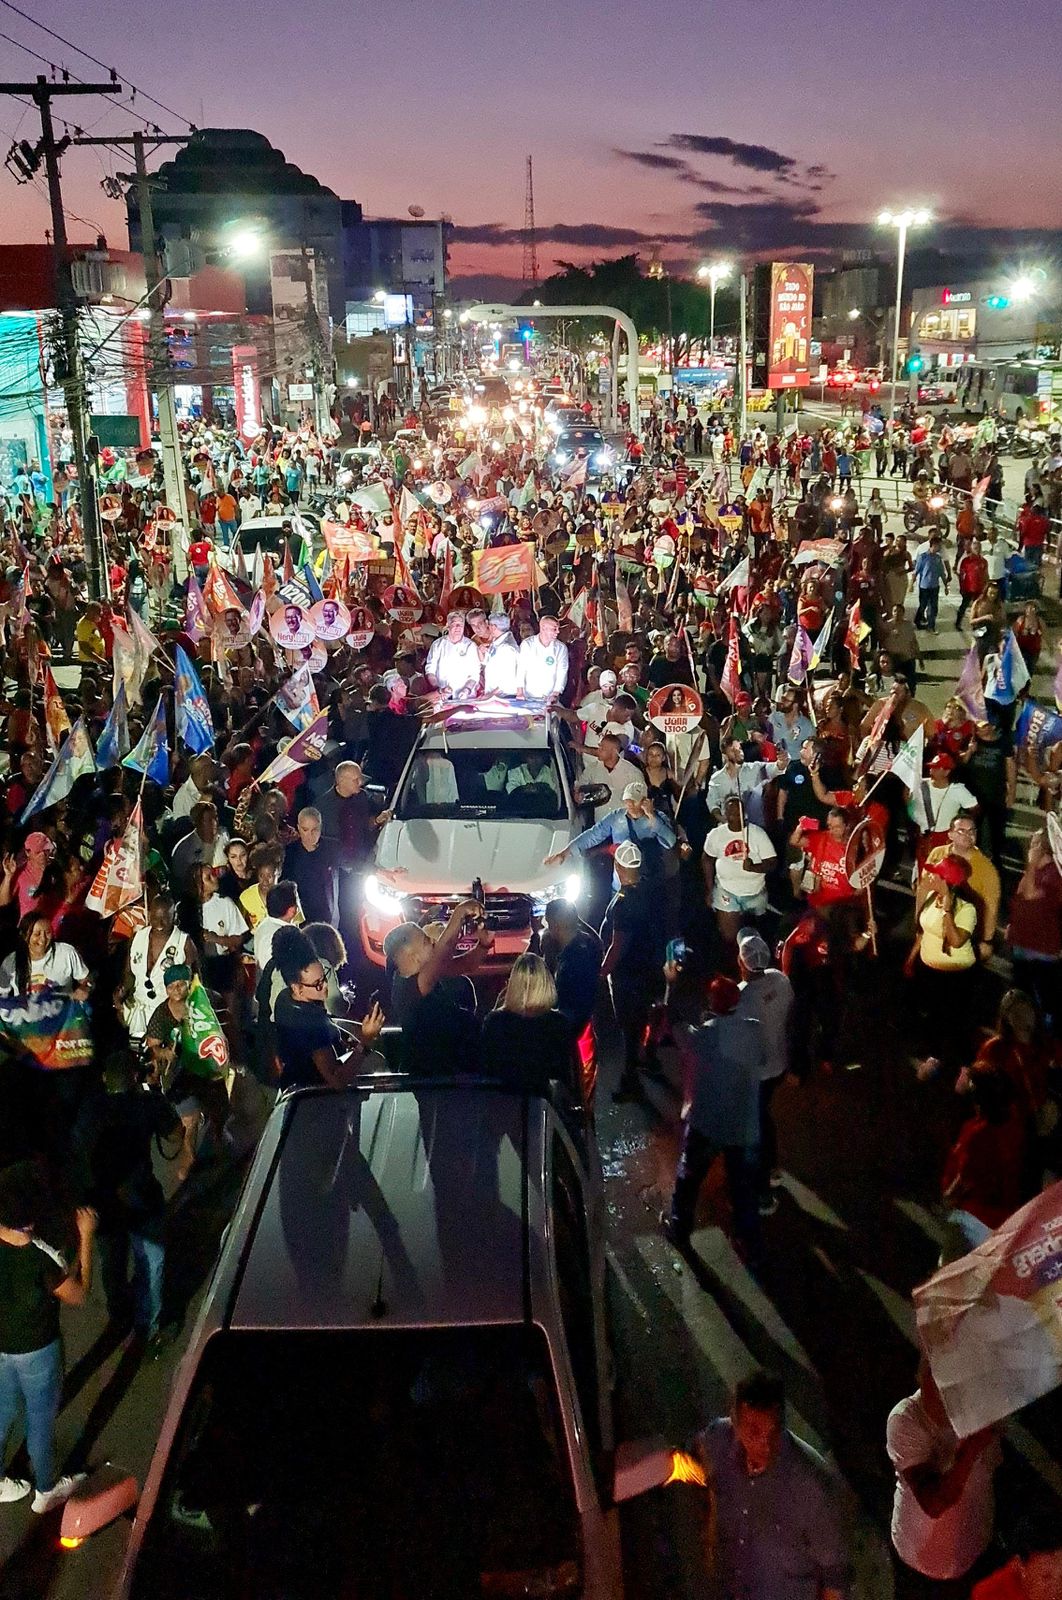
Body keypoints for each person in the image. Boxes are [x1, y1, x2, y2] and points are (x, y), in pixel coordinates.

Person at [691, 1370, 850, 1600]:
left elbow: (835, 1577)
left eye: (774, 1432)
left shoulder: (811, 1485)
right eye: (754, 1431)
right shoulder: (717, 1440)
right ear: (735, 1421)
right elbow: (688, 1463)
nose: (766, 1445)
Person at [0, 1162, 97, 1512]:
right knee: (39, 1419)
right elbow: (78, 1294)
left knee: (2, 1411)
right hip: (38, 1351)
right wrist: (86, 1238)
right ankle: (46, 1489)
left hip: (2, 1347)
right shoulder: (40, 1259)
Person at [662, 974, 766, 1263]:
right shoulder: (754, 1029)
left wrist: (670, 986)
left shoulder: (707, 1033)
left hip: (707, 1124)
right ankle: (747, 1241)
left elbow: (678, 1032)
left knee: (688, 1179)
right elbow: (761, 1059)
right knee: (742, 1188)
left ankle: (679, 1228)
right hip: (743, 1125)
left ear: (713, 1002)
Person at [83, 1053, 182, 1353]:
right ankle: (147, 1328)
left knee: (112, 1263)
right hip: (141, 1198)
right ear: (135, 1076)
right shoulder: (147, 1103)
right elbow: (176, 1135)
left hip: (103, 1201)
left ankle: (119, 1315)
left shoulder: (91, 1108)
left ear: (104, 1078)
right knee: (150, 1262)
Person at [888, 1361, 1001, 1595]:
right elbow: (934, 1502)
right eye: (936, 1377)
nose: (944, 1391)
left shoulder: (982, 1412)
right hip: (918, 1562)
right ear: (921, 1375)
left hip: (974, 1553)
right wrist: (972, 1448)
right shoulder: (906, 1419)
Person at [383, 901, 489, 1074]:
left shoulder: (428, 973)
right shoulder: (406, 986)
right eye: (426, 941)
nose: (433, 941)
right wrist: (459, 913)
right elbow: (443, 950)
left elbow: (467, 964)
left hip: (454, 1068)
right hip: (429, 1079)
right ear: (413, 957)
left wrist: (484, 943)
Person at [273, 930, 384, 1091]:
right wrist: (365, 1041)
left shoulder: (284, 999)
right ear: (297, 988)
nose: (325, 986)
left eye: (324, 978)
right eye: (317, 984)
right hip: (315, 1097)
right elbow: (337, 1081)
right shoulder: (311, 1024)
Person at [735, 930, 794, 1213]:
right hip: (779, 1064)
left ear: (742, 962)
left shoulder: (741, 997)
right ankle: (772, 1170)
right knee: (763, 1116)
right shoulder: (781, 980)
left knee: (754, 1129)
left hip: (756, 1075)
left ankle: (762, 1194)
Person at [599, 841, 662, 1101]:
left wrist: (602, 972)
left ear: (619, 867)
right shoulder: (650, 889)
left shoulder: (624, 904)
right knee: (645, 1016)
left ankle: (631, 1080)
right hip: (648, 965)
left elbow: (618, 946)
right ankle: (649, 1057)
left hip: (627, 975)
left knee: (629, 1027)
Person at [545, 779, 677, 890]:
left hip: (649, 882)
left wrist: (652, 817)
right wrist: (565, 853)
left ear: (645, 801)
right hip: (620, 884)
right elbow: (593, 835)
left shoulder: (658, 818)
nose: (630, 804)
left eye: (634, 800)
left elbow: (670, 841)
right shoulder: (616, 817)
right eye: (627, 800)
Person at [479, 954, 579, 1099]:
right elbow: (567, 1078)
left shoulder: (494, 1022)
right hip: (546, 1105)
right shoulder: (559, 1024)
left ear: (513, 984)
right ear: (546, 983)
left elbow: (485, 1072)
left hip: (502, 1105)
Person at [541, 899, 603, 1108]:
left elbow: (573, 1004)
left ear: (556, 925)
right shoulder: (585, 944)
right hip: (578, 1028)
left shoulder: (576, 959)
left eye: (549, 923)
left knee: (578, 1092)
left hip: (576, 1034)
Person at [116, 892, 196, 1044]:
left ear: (174, 916)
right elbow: (130, 974)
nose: (159, 923)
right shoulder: (137, 938)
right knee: (138, 1052)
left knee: (164, 1054)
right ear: (149, 915)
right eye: (155, 917)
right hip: (139, 1012)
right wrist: (122, 993)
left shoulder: (183, 942)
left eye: (165, 918)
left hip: (168, 1014)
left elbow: (195, 982)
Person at [703, 795, 777, 947]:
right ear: (725, 814)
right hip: (726, 891)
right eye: (731, 813)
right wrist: (709, 889)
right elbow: (707, 859)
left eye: (738, 813)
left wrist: (754, 868)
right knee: (729, 938)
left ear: (744, 814)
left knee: (755, 939)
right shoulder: (716, 834)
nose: (735, 817)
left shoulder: (757, 833)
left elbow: (772, 863)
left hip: (755, 892)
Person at [971, 1512, 1062, 1600]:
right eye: (1046, 1578)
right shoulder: (989, 1595)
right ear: (1020, 1566)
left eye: (1061, 1577)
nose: (1057, 1588)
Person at [0, 911, 90, 998]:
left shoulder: (67, 952)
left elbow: (86, 979)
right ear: (24, 936)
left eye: (47, 933)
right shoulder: (10, 962)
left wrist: (84, 988)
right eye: (37, 934)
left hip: (62, 1008)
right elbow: (2, 994)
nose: (43, 939)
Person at [283, 806, 339, 926]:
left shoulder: (332, 848)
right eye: (305, 830)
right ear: (298, 828)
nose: (310, 835)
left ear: (321, 827)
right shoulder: (289, 853)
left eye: (315, 830)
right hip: (300, 919)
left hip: (327, 918)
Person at [425, 610, 478, 696]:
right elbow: (430, 670)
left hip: (465, 697)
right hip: (442, 696)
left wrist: (466, 690)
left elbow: (474, 674)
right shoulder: (438, 644)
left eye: (461, 624)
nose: (458, 627)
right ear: (448, 626)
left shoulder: (471, 646)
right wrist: (438, 689)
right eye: (454, 624)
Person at [517, 613, 569, 701]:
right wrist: (520, 692)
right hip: (528, 696)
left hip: (550, 697)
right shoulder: (527, 644)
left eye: (558, 629)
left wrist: (556, 693)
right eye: (554, 629)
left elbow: (562, 671)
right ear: (543, 628)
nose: (558, 632)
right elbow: (521, 669)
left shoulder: (561, 648)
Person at [912, 535, 952, 632]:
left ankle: (931, 626)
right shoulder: (923, 557)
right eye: (937, 546)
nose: (939, 548)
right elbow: (916, 571)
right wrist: (911, 584)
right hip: (924, 586)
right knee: (923, 605)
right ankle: (917, 620)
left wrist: (946, 586)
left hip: (934, 586)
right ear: (932, 545)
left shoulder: (938, 558)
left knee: (933, 607)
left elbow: (942, 573)